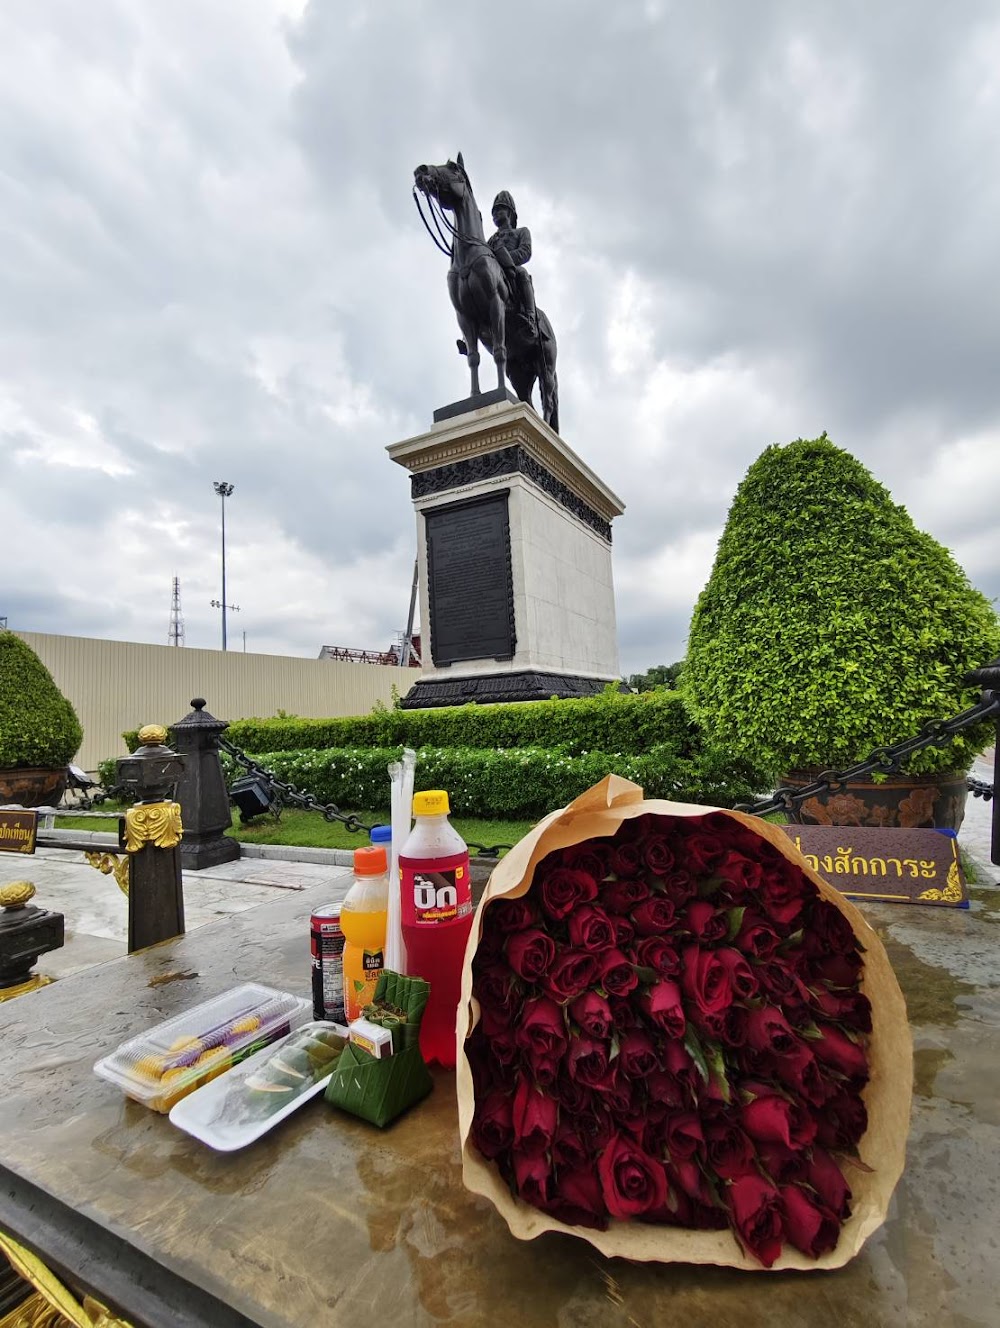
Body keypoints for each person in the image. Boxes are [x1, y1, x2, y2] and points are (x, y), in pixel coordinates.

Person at [487, 190, 538, 338]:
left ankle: (530, 318)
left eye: (499, 209)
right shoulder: (490, 240)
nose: (495, 214)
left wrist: (505, 258)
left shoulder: (521, 232)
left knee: (522, 273)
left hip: (512, 270)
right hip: (493, 271)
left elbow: (525, 252)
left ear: (509, 212)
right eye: (494, 211)